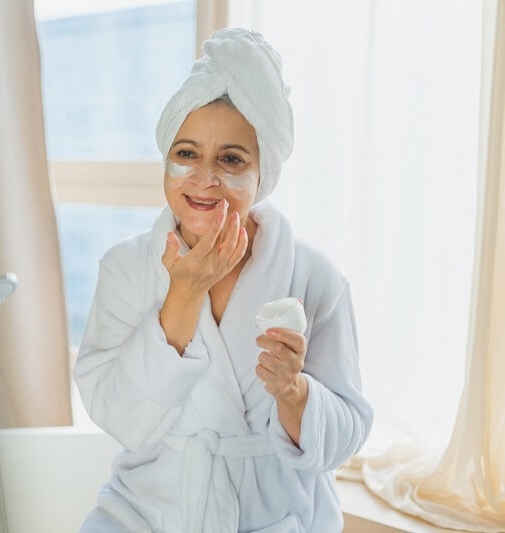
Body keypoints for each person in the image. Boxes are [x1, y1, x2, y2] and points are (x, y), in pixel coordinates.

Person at [73, 28, 373, 533]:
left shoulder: (313, 277)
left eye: (231, 159)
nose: (204, 178)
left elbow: (343, 436)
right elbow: (120, 418)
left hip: (274, 517)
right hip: (144, 514)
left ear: (263, 174)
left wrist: (294, 392)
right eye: (187, 153)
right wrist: (183, 297)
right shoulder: (124, 268)